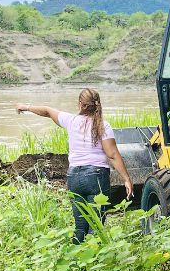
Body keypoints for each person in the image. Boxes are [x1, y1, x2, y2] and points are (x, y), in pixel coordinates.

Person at [15, 88, 134, 244]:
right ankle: (95, 256)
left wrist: (26, 107)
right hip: (96, 177)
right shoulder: (103, 126)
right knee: (96, 226)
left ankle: (77, 254)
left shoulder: (71, 121)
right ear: (97, 105)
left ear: (80, 104)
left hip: (74, 177)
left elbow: (47, 111)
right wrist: (126, 179)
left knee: (80, 227)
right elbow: (112, 154)